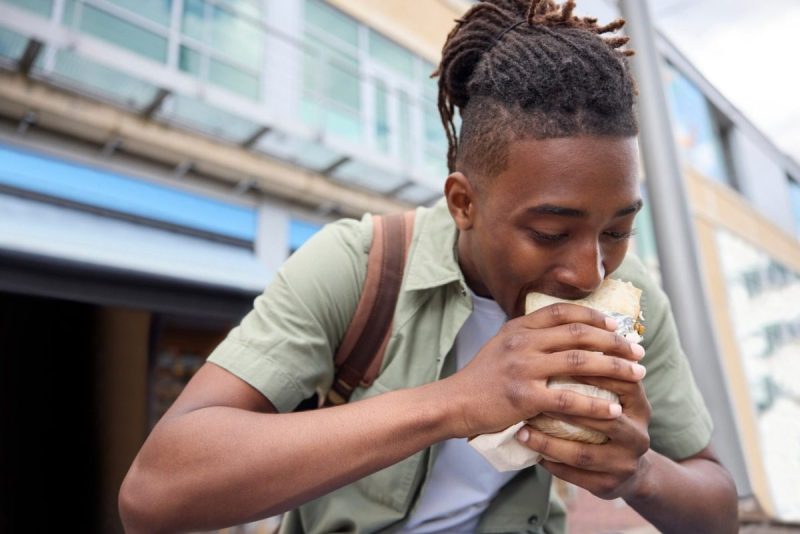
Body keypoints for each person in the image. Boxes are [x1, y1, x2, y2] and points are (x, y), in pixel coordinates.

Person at [119, 1, 738, 532]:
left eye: (618, 229)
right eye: (551, 233)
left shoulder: (635, 300)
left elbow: (717, 507)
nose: (588, 270)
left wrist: (638, 472)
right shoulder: (359, 265)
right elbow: (153, 495)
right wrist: (458, 401)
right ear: (463, 202)